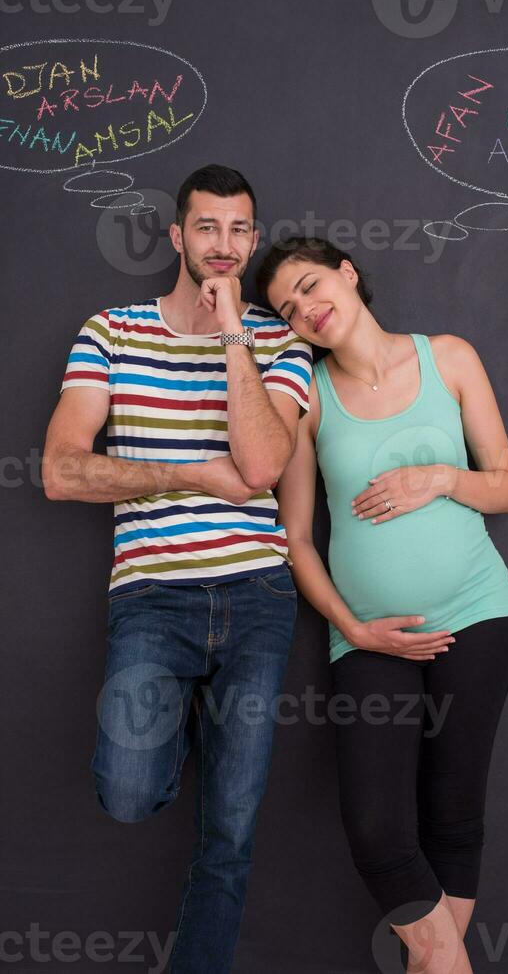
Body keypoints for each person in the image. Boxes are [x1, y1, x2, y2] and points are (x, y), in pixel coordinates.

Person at [42, 166, 313, 974]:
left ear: (253, 240)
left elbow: (263, 464)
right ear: (177, 237)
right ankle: (190, 717)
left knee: (229, 833)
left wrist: (234, 332)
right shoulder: (111, 332)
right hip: (153, 597)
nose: (223, 246)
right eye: (206, 228)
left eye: (238, 231)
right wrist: (191, 475)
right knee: (128, 794)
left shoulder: (279, 339)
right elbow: (61, 470)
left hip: (258, 596)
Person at [256, 236, 508, 974]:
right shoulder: (306, 397)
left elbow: (507, 484)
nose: (306, 309)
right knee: (377, 830)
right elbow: (297, 540)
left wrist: (440, 477)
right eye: (286, 308)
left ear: (348, 273)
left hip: (478, 614)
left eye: (311, 286)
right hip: (368, 640)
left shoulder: (450, 358)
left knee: (453, 816)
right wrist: (352, 628)